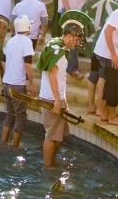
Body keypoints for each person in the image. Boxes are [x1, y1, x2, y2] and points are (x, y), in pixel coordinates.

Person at [36, 19, 85, 168]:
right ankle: (48, 167)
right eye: (76, 39)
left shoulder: (55, 43)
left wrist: (62, 99)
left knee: (60, 135)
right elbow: (52, 75)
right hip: (52, 99)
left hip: (55, 97)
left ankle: (50, 161)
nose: (76, 43)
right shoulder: (59, 53)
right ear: (69, 36)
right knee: (51, 136)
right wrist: (57, 100)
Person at [0, 15, 36, 149]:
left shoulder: (10, 41)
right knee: (20, 116)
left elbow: (2, 61)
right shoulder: (26, 41)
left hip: (6, 82)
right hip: (18, 85)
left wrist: (10, 71)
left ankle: (3, 142)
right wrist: (31, 83)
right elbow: (28, 64)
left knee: (9, 114)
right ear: (28, 27)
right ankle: (15, 146)